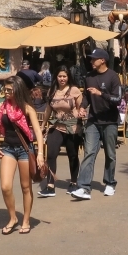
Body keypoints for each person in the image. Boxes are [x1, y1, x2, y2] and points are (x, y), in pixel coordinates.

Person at [0, 76, 46, 233]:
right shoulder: (2, 106)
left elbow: (37, 132)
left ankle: (26, 220)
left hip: (25, 150)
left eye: (9, 90)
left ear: (17, 90)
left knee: (25, 187)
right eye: (5, 89)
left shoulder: (27, 108)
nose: (6, 92)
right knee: (5, 186)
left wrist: (40, 153)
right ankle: (13, 217)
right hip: (8, 148)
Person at [72, 48, 122, 200]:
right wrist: (82, 108)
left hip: (110, 121)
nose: (91, 61)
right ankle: (83, 187)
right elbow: (86, 97)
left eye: (94, 59)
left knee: (110, 154)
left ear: (103, 60)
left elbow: (118, 99)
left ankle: (110, 183)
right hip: (93, 120)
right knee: (89, 153)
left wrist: (101, 94)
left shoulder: (113, 76)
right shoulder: (89, 77)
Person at [40, 66, 82, 196]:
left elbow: (81, 108)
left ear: (68, 77)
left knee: (73, 155)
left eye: (64, 76)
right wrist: (43, 126)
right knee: (51, 154)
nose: (62, 79)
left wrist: (81, 115)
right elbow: (48, 110)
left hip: (72, 127)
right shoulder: (52, 91)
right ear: (56, 77)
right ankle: (50, 185)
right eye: (60, 76)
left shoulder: (74, 90)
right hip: (56, 126)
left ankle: (74, 182)